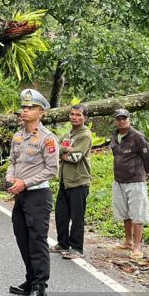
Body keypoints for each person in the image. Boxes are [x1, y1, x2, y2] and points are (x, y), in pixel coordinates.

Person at [6, 89, 59, 296]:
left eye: (30, 108)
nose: (25, 111)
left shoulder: (48, 139)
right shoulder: (18, 137)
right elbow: (12, 161)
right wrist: (10, 177)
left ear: (41, 112)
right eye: (24, 107)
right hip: (21, 196)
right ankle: (30, 280)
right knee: (23, 239)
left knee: (37, 242)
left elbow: (52, 169)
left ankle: (40, 288)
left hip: (38, 195)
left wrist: (25, 183)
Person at [110, 108, 149, 261]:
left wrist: (147, 174)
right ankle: (128, 241)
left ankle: (137, 246)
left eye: (124, 118)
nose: (121, 121)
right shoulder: (114, 136)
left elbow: (148, 157)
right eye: (119, 119)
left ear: (129, 120)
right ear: (115, 121)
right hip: (119, 179)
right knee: (124, 212)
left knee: (137, 213)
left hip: (135, 179)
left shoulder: (138, 137)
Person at [52, 104, 93, 260]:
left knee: (77, 217)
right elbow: (55, 150)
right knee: (61, 214)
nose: (74, 117)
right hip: (65, 180)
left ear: (85, 118)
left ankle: (76, 248)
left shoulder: (85, 135)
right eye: (72, 114)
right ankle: (62, 243)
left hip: (79, 181)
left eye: (78, 115)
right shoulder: (68, 134)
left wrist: (63, 153)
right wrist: (64, 150)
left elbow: (75, 157)